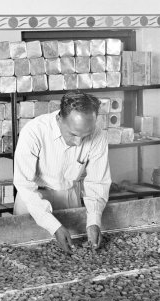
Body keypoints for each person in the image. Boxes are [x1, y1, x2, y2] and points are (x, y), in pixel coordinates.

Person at [13, 91, 111, 253]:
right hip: (33, 198)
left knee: (72, 253)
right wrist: (53, 225)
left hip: (69, 196)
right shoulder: (33, 132)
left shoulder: (98, 136)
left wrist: (94, 220)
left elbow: (97, 182)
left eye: (84, 136)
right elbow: (24, 185)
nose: (78, 142)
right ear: (59, 119)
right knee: (29, 255)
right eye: (73, 134)